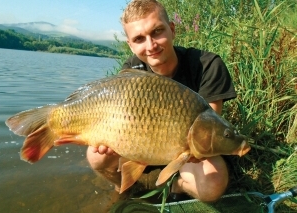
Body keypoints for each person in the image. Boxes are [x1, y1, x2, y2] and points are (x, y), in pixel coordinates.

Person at [86, 0, 237, 202]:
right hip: (142, 144)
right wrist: (111, 138)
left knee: (213, 182)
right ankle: (123, 188)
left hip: (188, 152)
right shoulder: (132, 70)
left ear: (172, 29)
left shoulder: (207, 65)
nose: (151, 45)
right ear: (130, 45)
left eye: (157, 31)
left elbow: (207, 135)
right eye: (139, 39)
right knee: (96, 156)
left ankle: (175, 185)